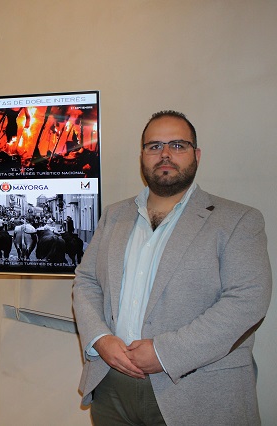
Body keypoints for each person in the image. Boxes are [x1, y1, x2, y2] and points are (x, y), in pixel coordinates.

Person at [72, 110, 272, 425]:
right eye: (154, 146)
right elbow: (86, 281)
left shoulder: (238, 220)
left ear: (197, 155)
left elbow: (247, 301)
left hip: (198, 393)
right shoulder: (114, 215)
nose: (165, 154)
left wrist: (165, 353)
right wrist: (99, 338)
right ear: (142, 156)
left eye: (178, 145)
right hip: (110, 386)